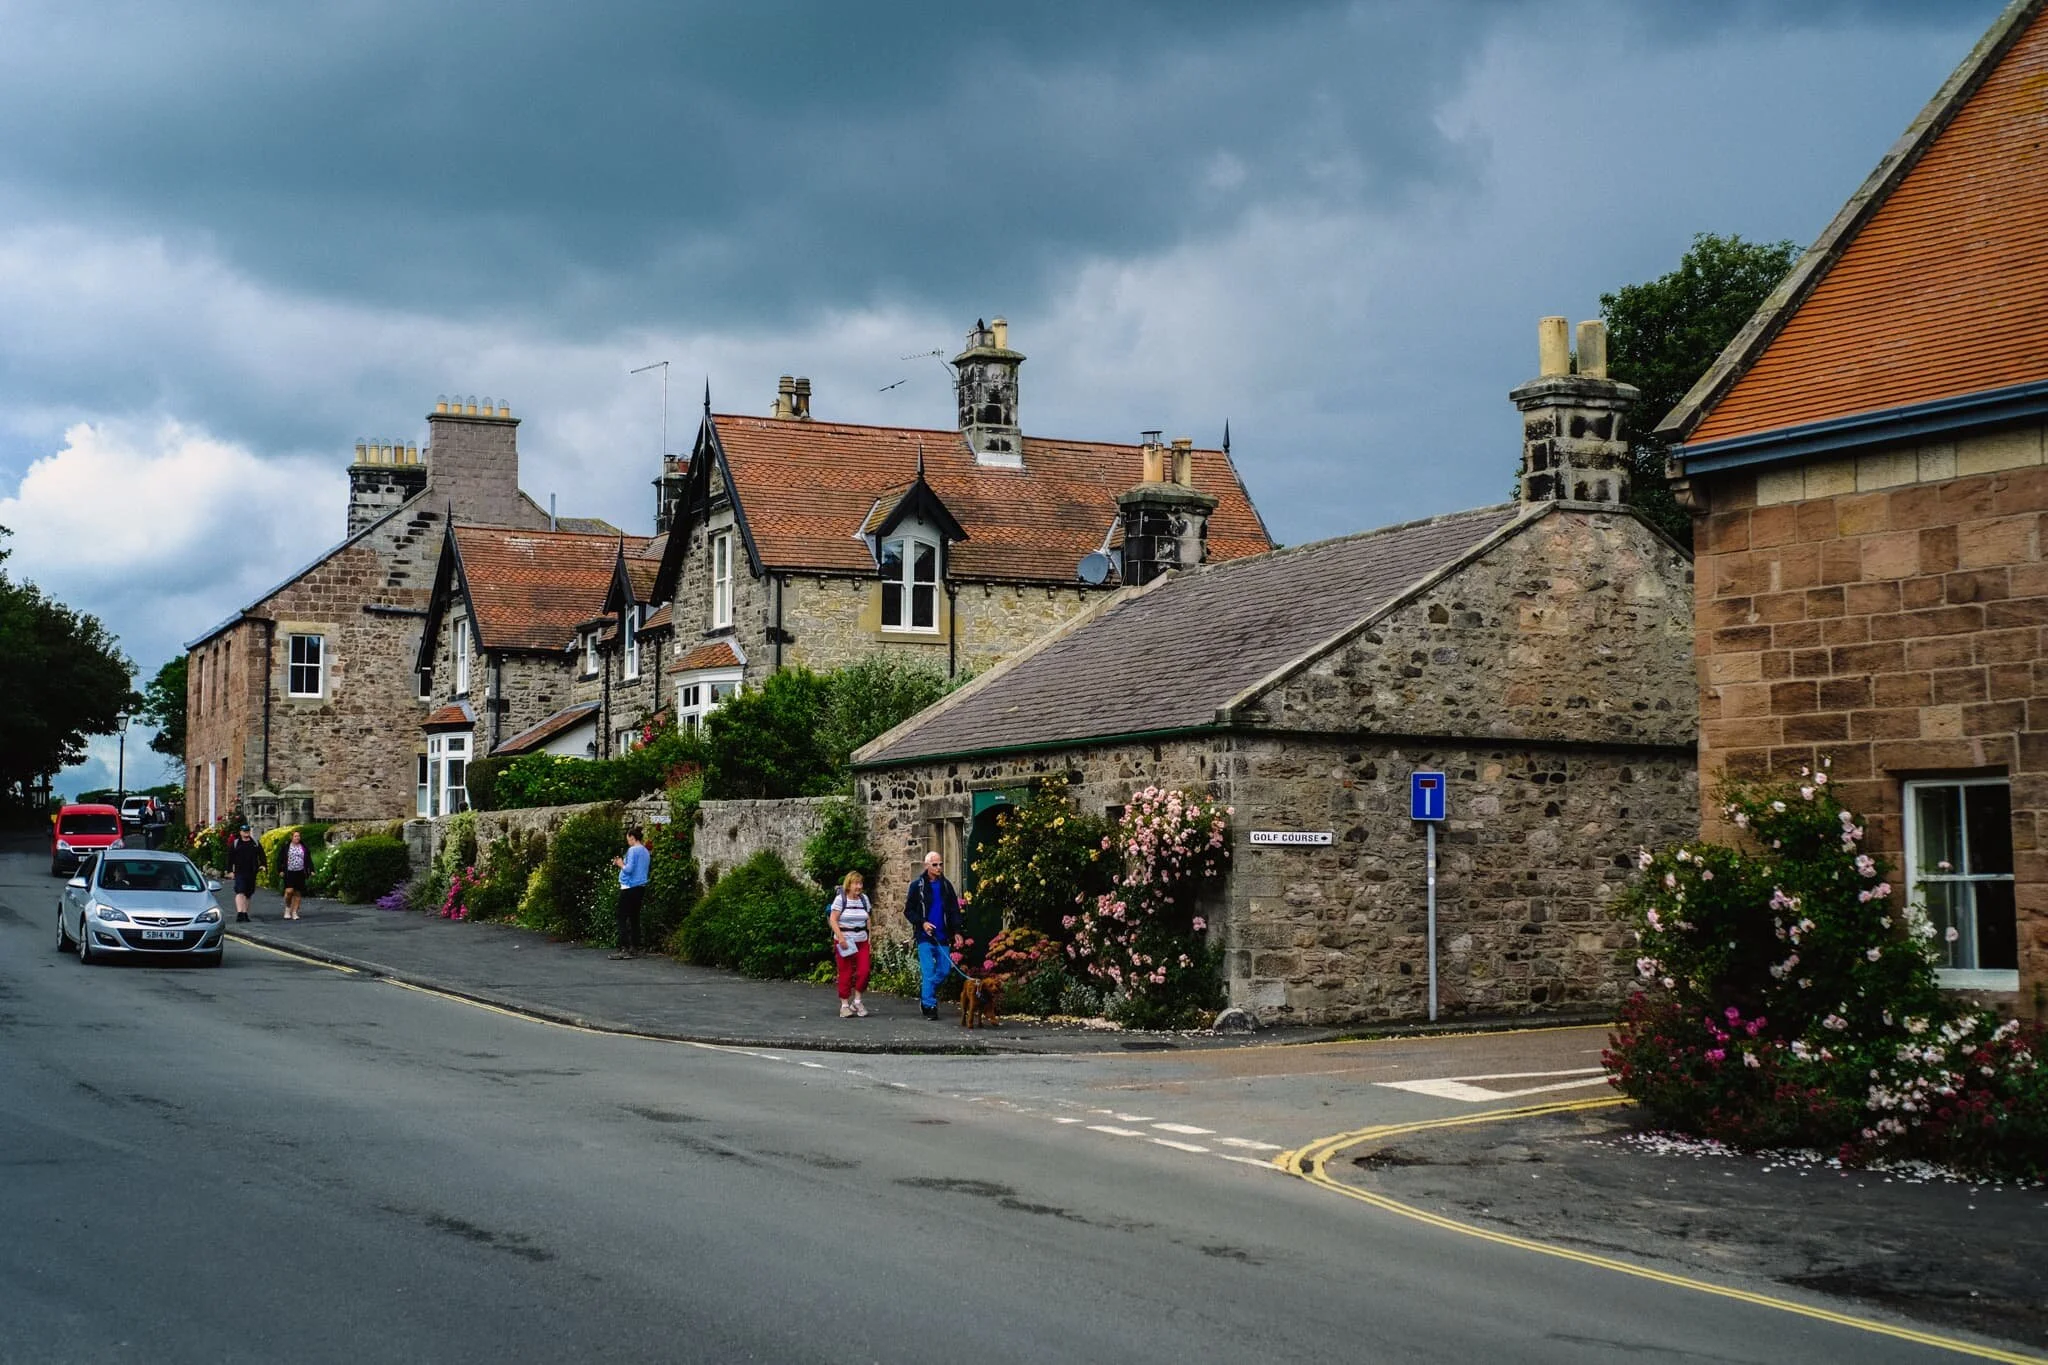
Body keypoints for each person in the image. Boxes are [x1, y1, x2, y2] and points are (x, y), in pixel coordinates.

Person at [902, 850, 961, 1021]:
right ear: (927, 865)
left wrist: (957, 931)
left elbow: (953, 910)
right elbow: (909, 910)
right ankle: (929, 1005)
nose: (939, 868)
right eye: (935, 865)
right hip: (924, 936)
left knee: (943, 970)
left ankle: (926, 994)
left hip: (942, 935)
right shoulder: (917, 886)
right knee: (928, 971)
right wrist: (922, 923)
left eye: (941, 864)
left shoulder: (946, 886)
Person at [828, 870, 874, 1018]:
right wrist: (840, 938)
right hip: (845, 941)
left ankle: (858, 1001)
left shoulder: (864, 899)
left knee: (864, 971)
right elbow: (833, 919)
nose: (859, 886)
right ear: (849, 885)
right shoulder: (841, 900)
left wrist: (870, 940)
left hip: (861, 941)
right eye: (856, 883)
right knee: (845, 973)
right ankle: (845, 1005)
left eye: (860, 883)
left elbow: (868, 920)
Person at [610, 825, 650, 959]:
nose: (628, 842)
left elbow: (629, 869)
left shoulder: (633, 850)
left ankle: (624, 948)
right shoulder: (645, 851)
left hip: (629, 887)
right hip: (640, 887)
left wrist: (620, 864)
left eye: (628, 840)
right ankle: (635, 946)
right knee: (634, 917)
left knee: (621, 917)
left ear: (632, 838)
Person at [226, 823, 262, 923]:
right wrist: (230, 871)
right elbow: (230, 857)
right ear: (240, 832)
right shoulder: (236, 843)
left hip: (252, 871)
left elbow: (262, 855)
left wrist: (263, 865)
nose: (246, 833)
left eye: (247, 831)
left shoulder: (255, 843)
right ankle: (240, 913)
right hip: (239, 871)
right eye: (244, 831)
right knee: (240, 891)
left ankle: (245, 913)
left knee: (248, 893)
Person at [280, 828, 311, 921]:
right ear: (291, 837)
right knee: (289, 891)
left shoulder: (303, 847)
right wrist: (280, 870)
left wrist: (311, 870)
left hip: (300, 871)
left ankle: (294, 912)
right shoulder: (286, 847)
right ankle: (287, 908)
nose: (297, 838)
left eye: (299, 836)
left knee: (297, 892)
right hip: (289, 871)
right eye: (295, 836)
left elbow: (308, 859)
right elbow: (280, 859)